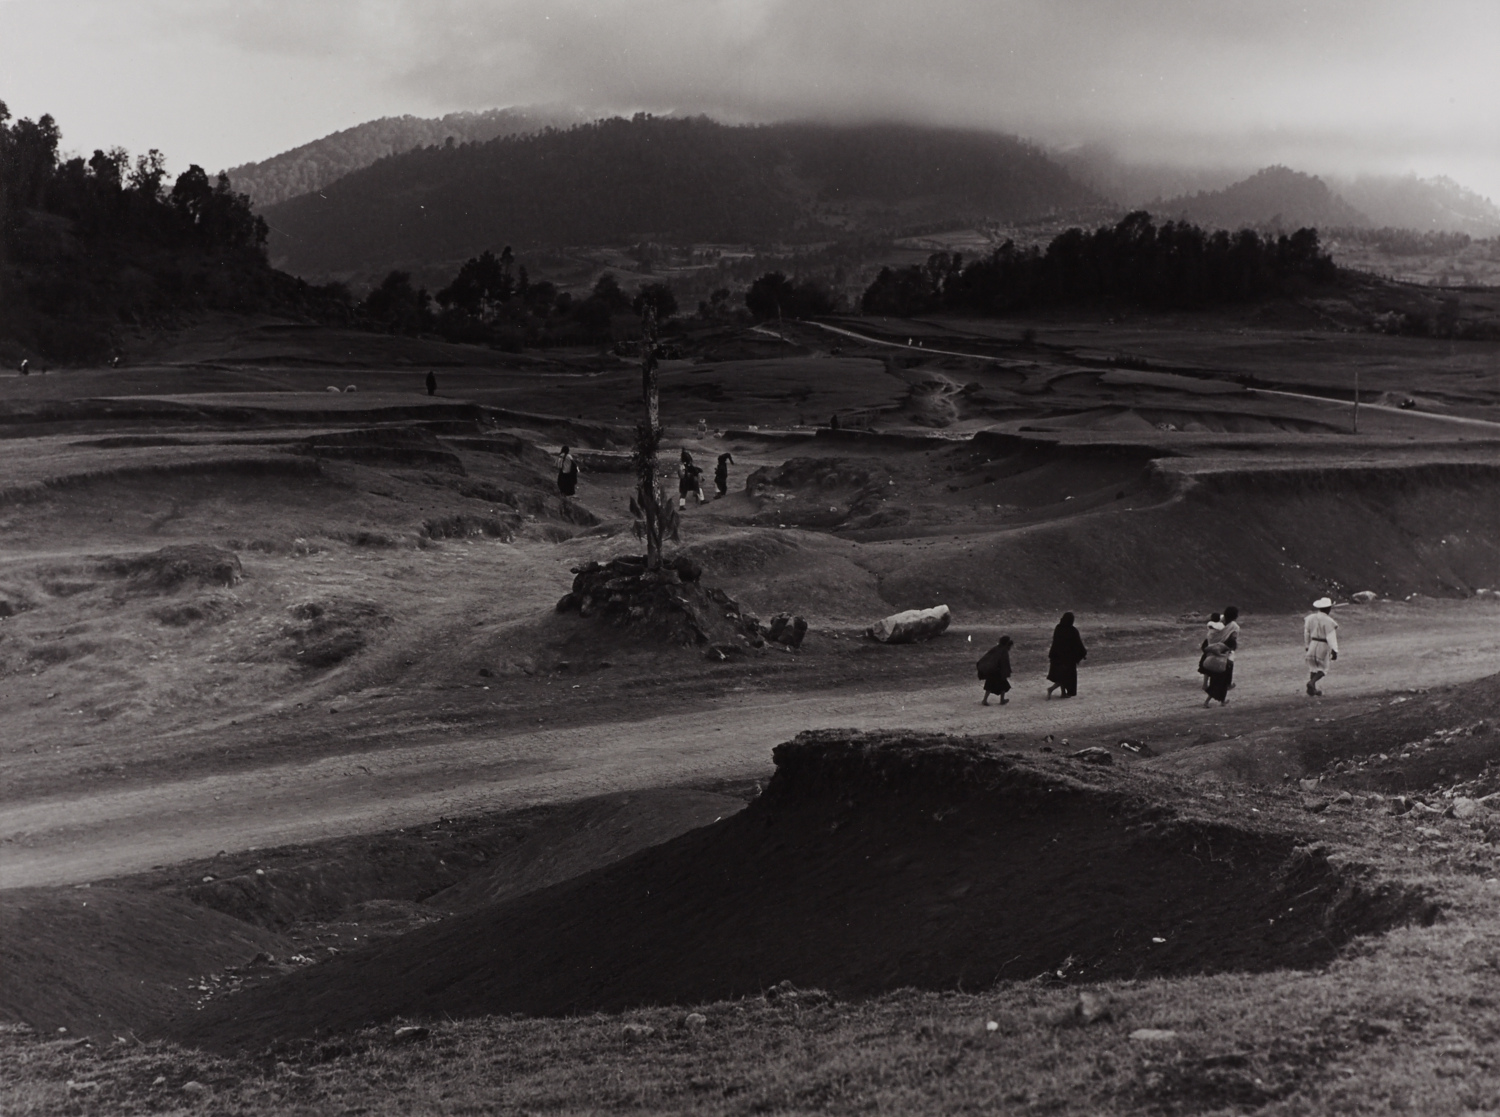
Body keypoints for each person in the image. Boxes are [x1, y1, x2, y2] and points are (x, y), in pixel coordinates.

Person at [1204, 605, 1240, 706]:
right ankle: (1208, 701)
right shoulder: (1234, 627)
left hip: (1212, 650)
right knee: (1221, 680)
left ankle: (1222, 701)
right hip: (1224, 654)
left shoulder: (1220, 622)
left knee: (1216, 679)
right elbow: (1232, 640)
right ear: (1235, 616)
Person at [1304, 597, 1340, 696]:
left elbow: (1306, 632)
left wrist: (1307, 645)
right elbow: (1331, 636)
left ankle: (1312, 690)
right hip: (1322, 645)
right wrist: (1335, 650)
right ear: (1328, 608)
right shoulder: (1329, 621)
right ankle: (1311, 683)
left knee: (1313, 667)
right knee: (1323, 668)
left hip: (1312, 643)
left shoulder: (1310, 618)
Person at [1045, 613, 1087, 698]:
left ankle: (1063, 693)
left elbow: (1056, 642)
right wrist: (1083, 653)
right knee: (1066, 677)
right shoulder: (1073, 631)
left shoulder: (1058, 628)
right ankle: (1051, 689)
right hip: (1068, 658)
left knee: (1061, 675)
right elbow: (1078, 644)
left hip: (1056, 656)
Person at [977, 635, 1013, 706]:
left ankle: (985, 700)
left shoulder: (996, 648)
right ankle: (1001, 700)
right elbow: (1004, 663)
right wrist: (1006, 672)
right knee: (1003, 685)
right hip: (998, 672)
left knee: (990, 686)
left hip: (992, 671)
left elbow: (988, 657)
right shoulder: (1004, 651)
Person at [1198, 613, 1224, 693]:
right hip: (1216, 649)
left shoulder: (1210, 630)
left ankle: (1205, 684)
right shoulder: (1220, 630)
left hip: (1209, 649)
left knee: (1207, 668)